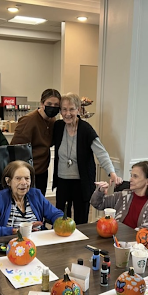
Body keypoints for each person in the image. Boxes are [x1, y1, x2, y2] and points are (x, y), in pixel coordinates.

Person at [53, 93, 122, 224]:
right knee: (61, 217)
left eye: (72, 109)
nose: (68, 113)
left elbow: (101, 153)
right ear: (60, 111)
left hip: (81, 182)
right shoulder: (58, 127)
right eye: (64, 109)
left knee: (81, 219)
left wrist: (111, 172)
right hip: (62, 181)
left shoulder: (86, 129)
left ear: (79, 109)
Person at [0, 160, 64, 237]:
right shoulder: (0, 197)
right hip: (13, 243)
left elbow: (57, 214)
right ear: (8, 181)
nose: (24, 183)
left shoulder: (36, 194)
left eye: (27, 178)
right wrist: (15, 231)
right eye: (18, 178)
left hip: (38, 240)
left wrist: (58, 227)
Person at [11, 88, 61, 196]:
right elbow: (16, 148)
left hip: (42, 170)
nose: (52, 107)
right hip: (27, 172)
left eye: (56, 105)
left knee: (38, 204)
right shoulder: (28, 120)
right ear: (42, 104)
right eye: (49, 103)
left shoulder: (52, 121)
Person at [90, 161, 148, 230]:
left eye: (135, 176)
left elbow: (147, 230)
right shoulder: (125, 194)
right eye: (131, 175)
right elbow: (97, 204)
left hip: (136, 243)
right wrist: (101, 190)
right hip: (115, 238)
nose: (130, 179)